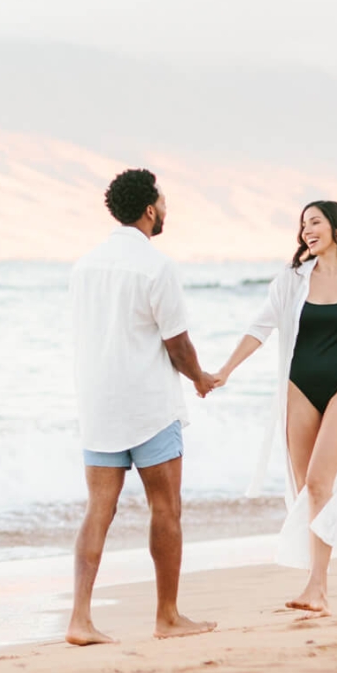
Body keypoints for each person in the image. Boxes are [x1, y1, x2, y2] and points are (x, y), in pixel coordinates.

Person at [210, 200, 337, 615]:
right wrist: (225, 371)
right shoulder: (291, 281)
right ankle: (315, 582)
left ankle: (318, 586)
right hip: (299, 387)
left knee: (319, 481)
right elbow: (260, 328)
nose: (307, 230)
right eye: (303, 225)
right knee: (306, 489)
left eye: (315, 222)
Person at [66, 168, 219, 646]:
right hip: (149, 406)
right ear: (150, 209)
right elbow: (177, 343)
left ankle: (79, 620)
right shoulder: (158, 267)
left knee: (98, 510)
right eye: (164, 201)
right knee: (165, 508)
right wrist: (201, 378)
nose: (167, 208)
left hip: (98, 405)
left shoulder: (84, 266)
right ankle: (167, 617)